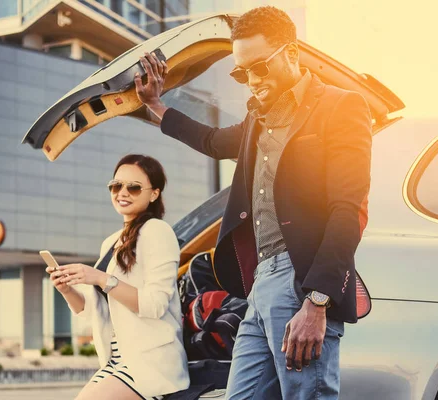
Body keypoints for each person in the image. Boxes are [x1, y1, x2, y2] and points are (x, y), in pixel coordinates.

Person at [133, 6, 372, 400]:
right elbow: (211, 140)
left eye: (260, 67)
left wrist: (317, 300)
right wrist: (156, 106)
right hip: (260, 282)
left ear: (291, 53)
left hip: (302, 281)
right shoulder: (257, 122)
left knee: (306, 395)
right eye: (242, 73)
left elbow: (347, 210)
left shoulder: (340, 107)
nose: (252, 81)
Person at [46, 154, 189, 400]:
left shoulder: (158, 231)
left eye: (133, 187)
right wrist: (66, 290)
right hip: (118, 361)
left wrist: (101, 278)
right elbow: (94, 311)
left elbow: (155, 305)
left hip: (151, 364)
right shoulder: (111, 243)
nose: (122, 192)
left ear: (154, 193)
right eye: (116, 185)